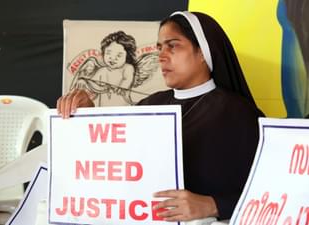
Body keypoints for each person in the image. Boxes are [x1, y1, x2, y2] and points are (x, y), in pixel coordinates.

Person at [57, 11, 264, 222]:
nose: (161, 56)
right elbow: (114, 157)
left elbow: (271, 191)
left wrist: (213, 205)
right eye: (159, 48)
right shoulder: (151, 104)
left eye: (173, 45)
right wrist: (85, 115)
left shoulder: (238, 114)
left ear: (203, 52)